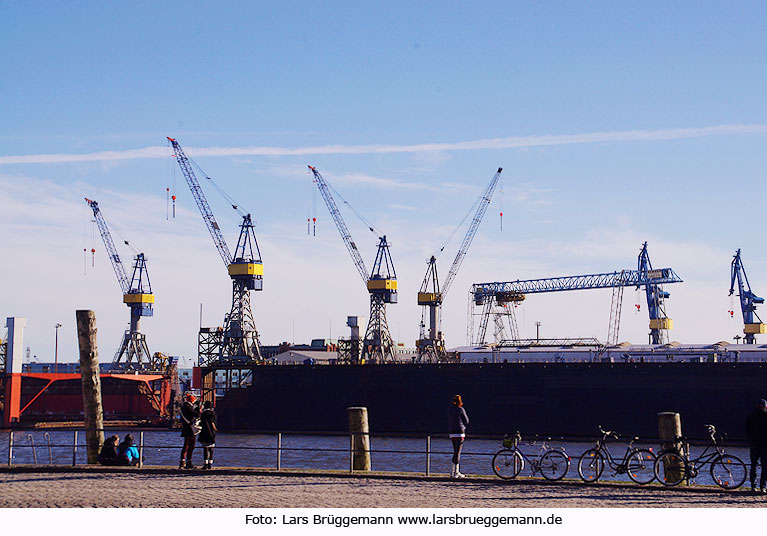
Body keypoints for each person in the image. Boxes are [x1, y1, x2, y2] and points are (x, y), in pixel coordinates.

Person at [745, 398, 767, 492]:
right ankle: (763, 486)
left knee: (754, 465)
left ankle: (753, 486)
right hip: (765, 444)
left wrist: (750, 438)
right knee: (765, 466)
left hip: (754, 443)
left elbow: (747, 428)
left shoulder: (751, 415)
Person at [447, 394, 469, 478]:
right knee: (458, 452)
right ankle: (456, 472)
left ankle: (453, 471)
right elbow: (466, 420)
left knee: (455, 451)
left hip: (452, 432)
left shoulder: (449, 410)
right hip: (460, 432)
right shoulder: (460, 409)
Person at [179, 392, 201, 469]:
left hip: (187, 428)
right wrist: (198, 408)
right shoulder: (188, 407)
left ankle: (184, 462)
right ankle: (187, 462)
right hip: (190, 429)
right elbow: (197, 414)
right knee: (189, 446)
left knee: (187, 446)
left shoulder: (184, 407)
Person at [198, 401, 218, 470]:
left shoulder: (203, 414)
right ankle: (210, 463)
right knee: (211, 449)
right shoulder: (213, 414)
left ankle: (205, 464)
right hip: (212, 433)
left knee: (205, 449)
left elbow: (201, 423)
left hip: (204, 432)